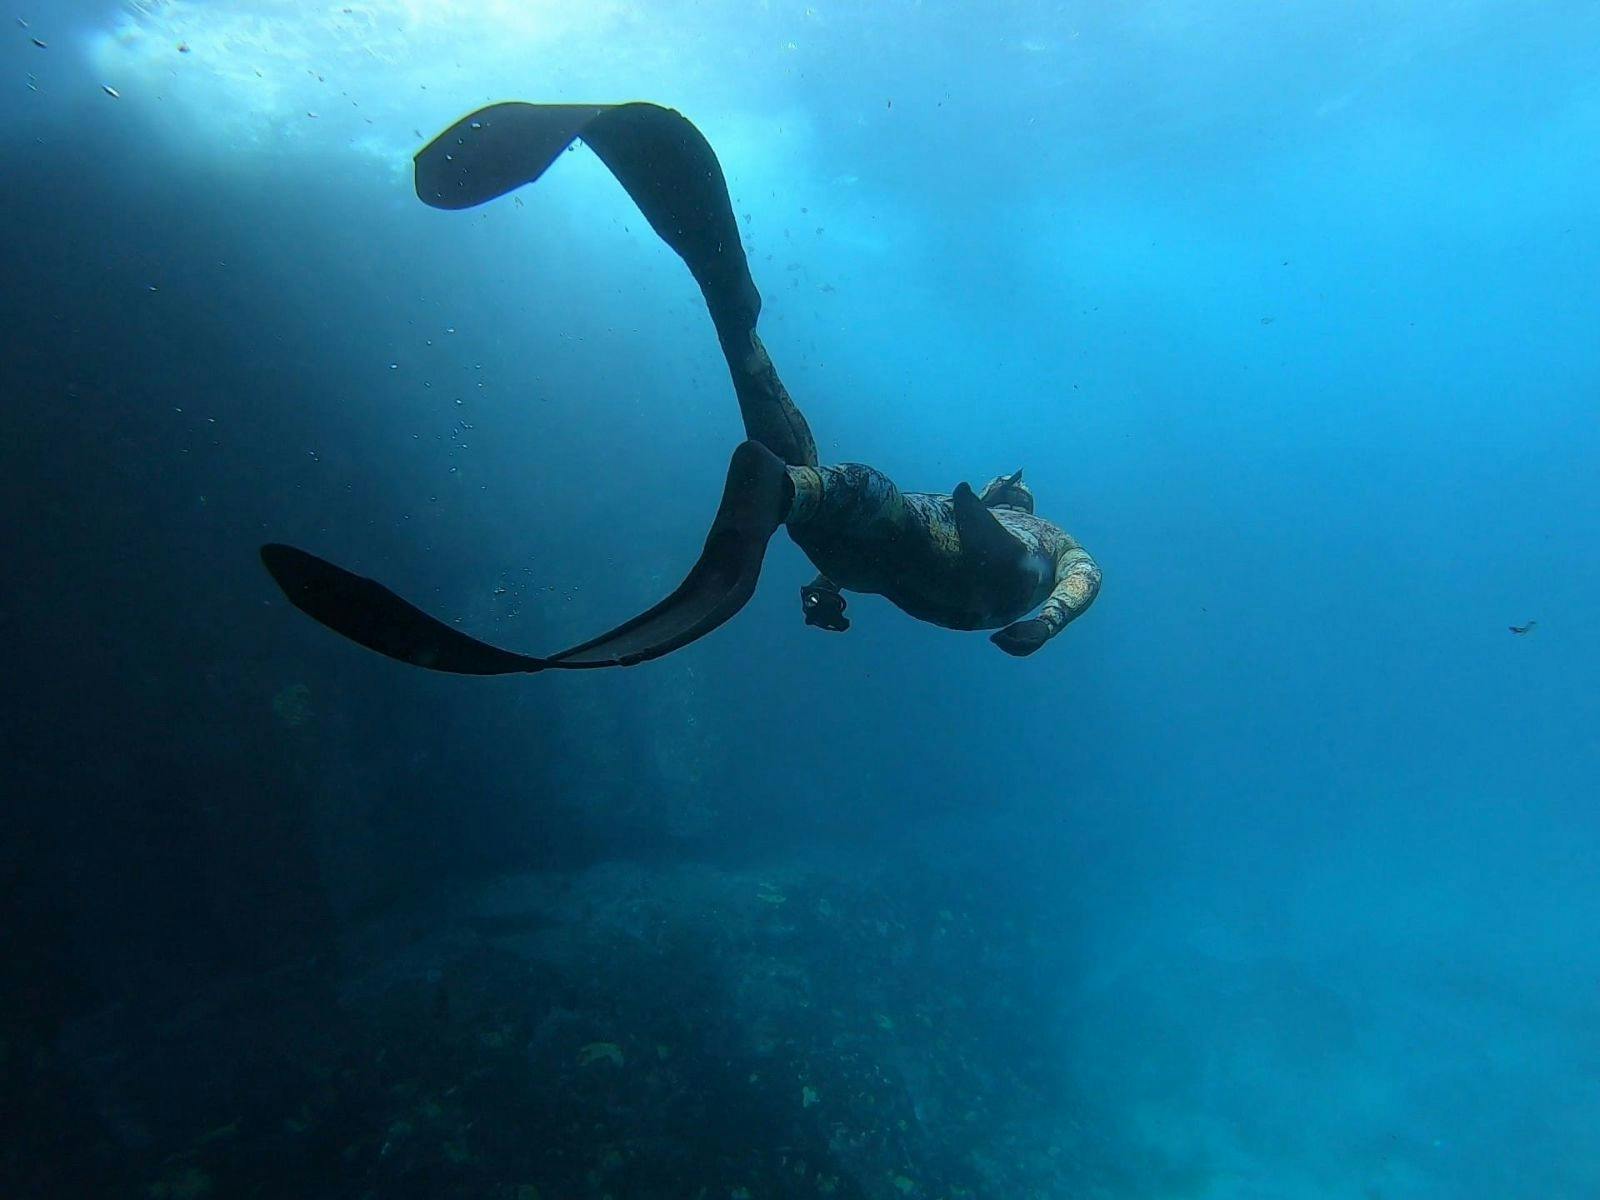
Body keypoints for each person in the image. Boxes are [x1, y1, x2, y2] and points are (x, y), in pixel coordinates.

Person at [261, 101, 1099, 672]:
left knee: (855, 495)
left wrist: (1036, 621)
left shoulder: (1055, 535)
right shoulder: (1001, 517)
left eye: (1011, 488)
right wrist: (833, 591)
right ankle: (767, 434)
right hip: (905, 566)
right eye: (1006, 487)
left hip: (941, 563)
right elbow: (965, 572)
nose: (1010, 484)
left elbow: (1077, 584)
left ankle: (767, 415)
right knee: (829, 486)